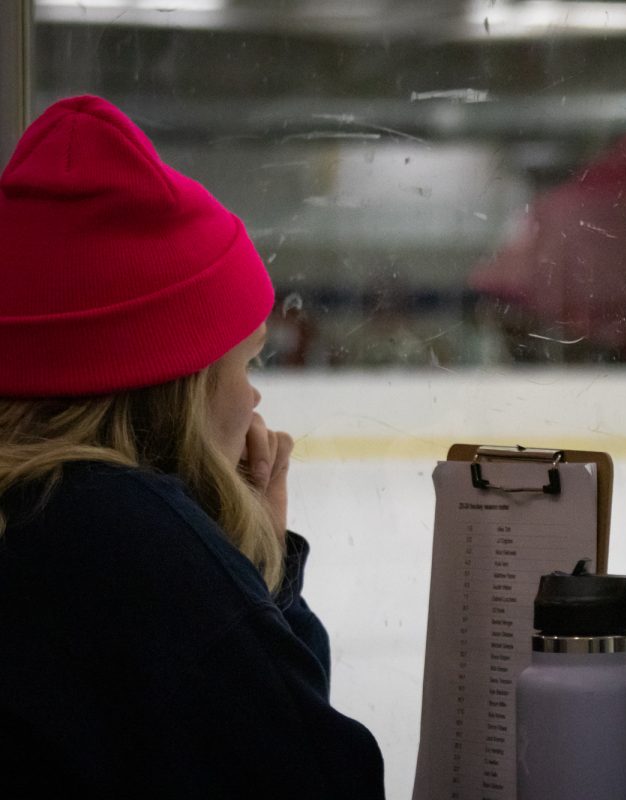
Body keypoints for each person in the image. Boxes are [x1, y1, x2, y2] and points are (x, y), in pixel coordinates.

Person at [0, 96, 385, 797]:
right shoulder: (130, 542)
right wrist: (258, 587)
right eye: (246, 365)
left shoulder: (32, 518)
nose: (254, 401)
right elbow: (321, 778)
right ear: (175, 384)